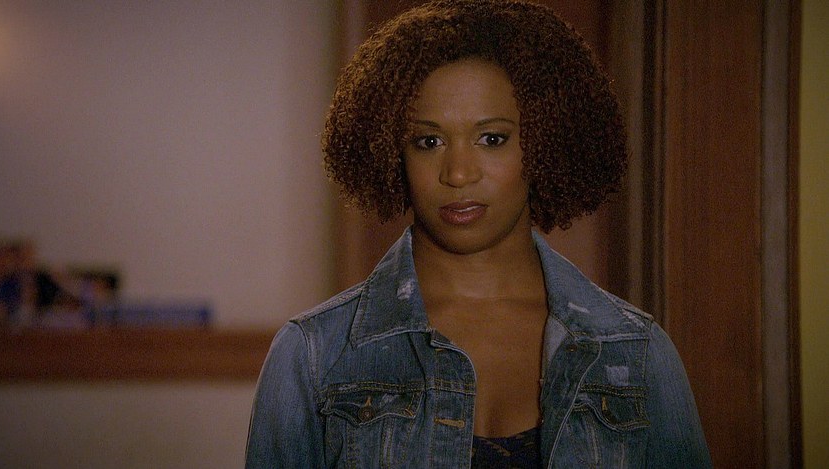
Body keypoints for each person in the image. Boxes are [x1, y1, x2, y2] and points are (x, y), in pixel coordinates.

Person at [246, 0, 711, 467]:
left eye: (492, 139)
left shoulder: (635, 351)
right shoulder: (313, 355)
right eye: (429, 141)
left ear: (547, 141)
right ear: (393, 153)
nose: (458, 173)